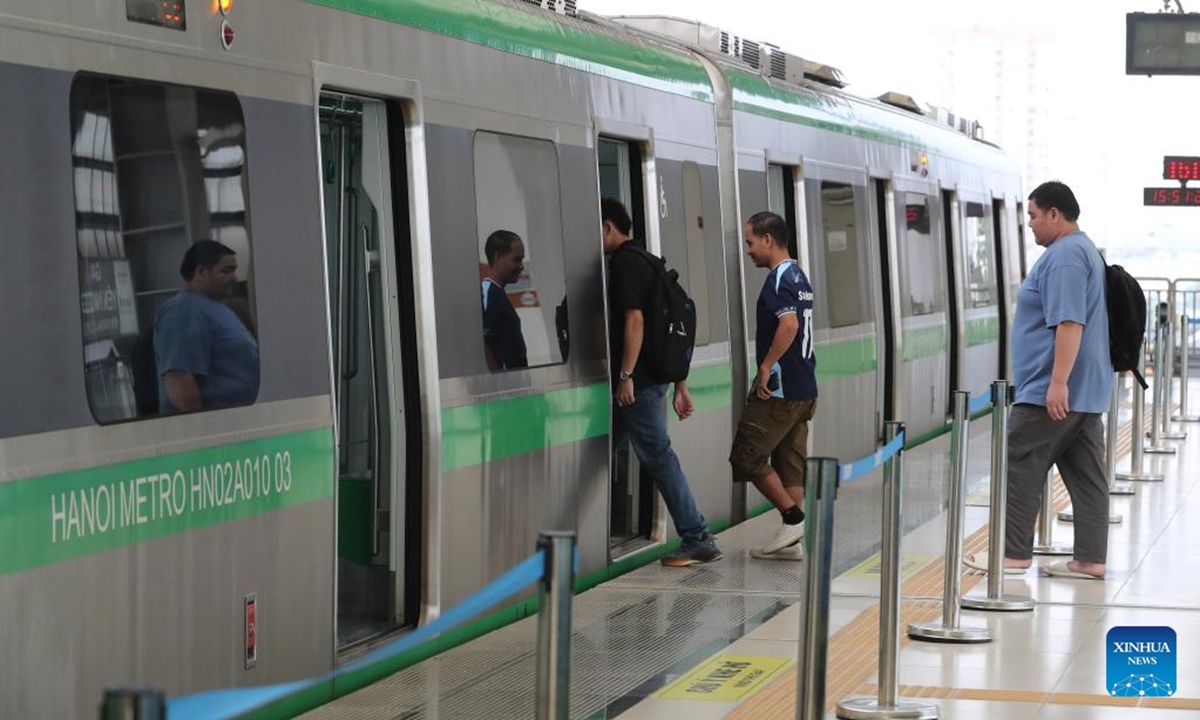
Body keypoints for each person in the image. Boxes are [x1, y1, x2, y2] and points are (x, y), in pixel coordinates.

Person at [979, 181, 1112, 580]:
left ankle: (1012, 555)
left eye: (1034, 216)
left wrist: (1057, 382)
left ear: (1055, 214)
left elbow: (1070, 322)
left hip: (1050, 391)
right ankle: (1089, 560)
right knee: (1088, 477)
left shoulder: (1066, 257)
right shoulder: (1083, 249)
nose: (1031, 225)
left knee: (1019, 463)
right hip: (1086, 390)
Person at [602, 198, 722, 566]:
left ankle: (696, 536)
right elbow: (670, 327)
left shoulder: (623, 264)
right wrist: (680, 385)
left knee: (659, 456)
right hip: (656, 379)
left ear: (608, 227)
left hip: (638, 384)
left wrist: (625, 376)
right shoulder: (650, 261)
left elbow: (636, 322)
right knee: (601, 444)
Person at [730, 212, 818, 560]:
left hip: (778, 391)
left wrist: (765, 367)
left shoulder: (778, 279)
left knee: (745, 457)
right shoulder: (799, 276)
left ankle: (792, 517)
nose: (748, 251)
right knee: (789, 464)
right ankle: (791, 540)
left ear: (768, 239)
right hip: (804, 387)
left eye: (750, 243)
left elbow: (789, 325)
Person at [155, 240, 260, 414]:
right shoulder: (184, 310)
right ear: (201, 272)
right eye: (226, 271)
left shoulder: (218, 307)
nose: (234, 278)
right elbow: (180, 382)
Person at [481, 230, 529, 371]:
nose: (521, 266)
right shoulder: (487, 294)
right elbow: (482, 344)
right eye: (517, 259)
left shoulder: (497, 294)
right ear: (498, 257)